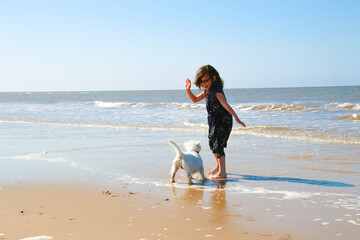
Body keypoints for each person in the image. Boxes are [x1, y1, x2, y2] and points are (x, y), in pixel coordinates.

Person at [185, 65, 246, 179]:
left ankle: (223, 172)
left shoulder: (217, 90)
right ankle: (218, 167)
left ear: (213, 78)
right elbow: (194, 99)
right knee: (212, 144)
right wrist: (188, 90)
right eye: (201, 82)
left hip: (223, 121)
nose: (204, 84)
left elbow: (225, 105)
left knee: (218, 145)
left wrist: (236, 117)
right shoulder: (207, 91)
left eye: (205, 81)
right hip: (213, 121)